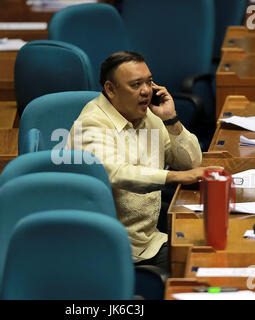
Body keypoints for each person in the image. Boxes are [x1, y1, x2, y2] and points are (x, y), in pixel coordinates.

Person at [66, 51, 220, 273]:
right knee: (201, 266)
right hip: (116, 248)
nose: (146, 91)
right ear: (110, 89)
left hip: (150, 235)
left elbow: (191, 163)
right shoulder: (92, 125)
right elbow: (115, 173)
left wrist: (171, 120)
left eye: (149, 81)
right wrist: (174, 177)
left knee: (214, 239)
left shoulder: (148, 115)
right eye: (136, 84)